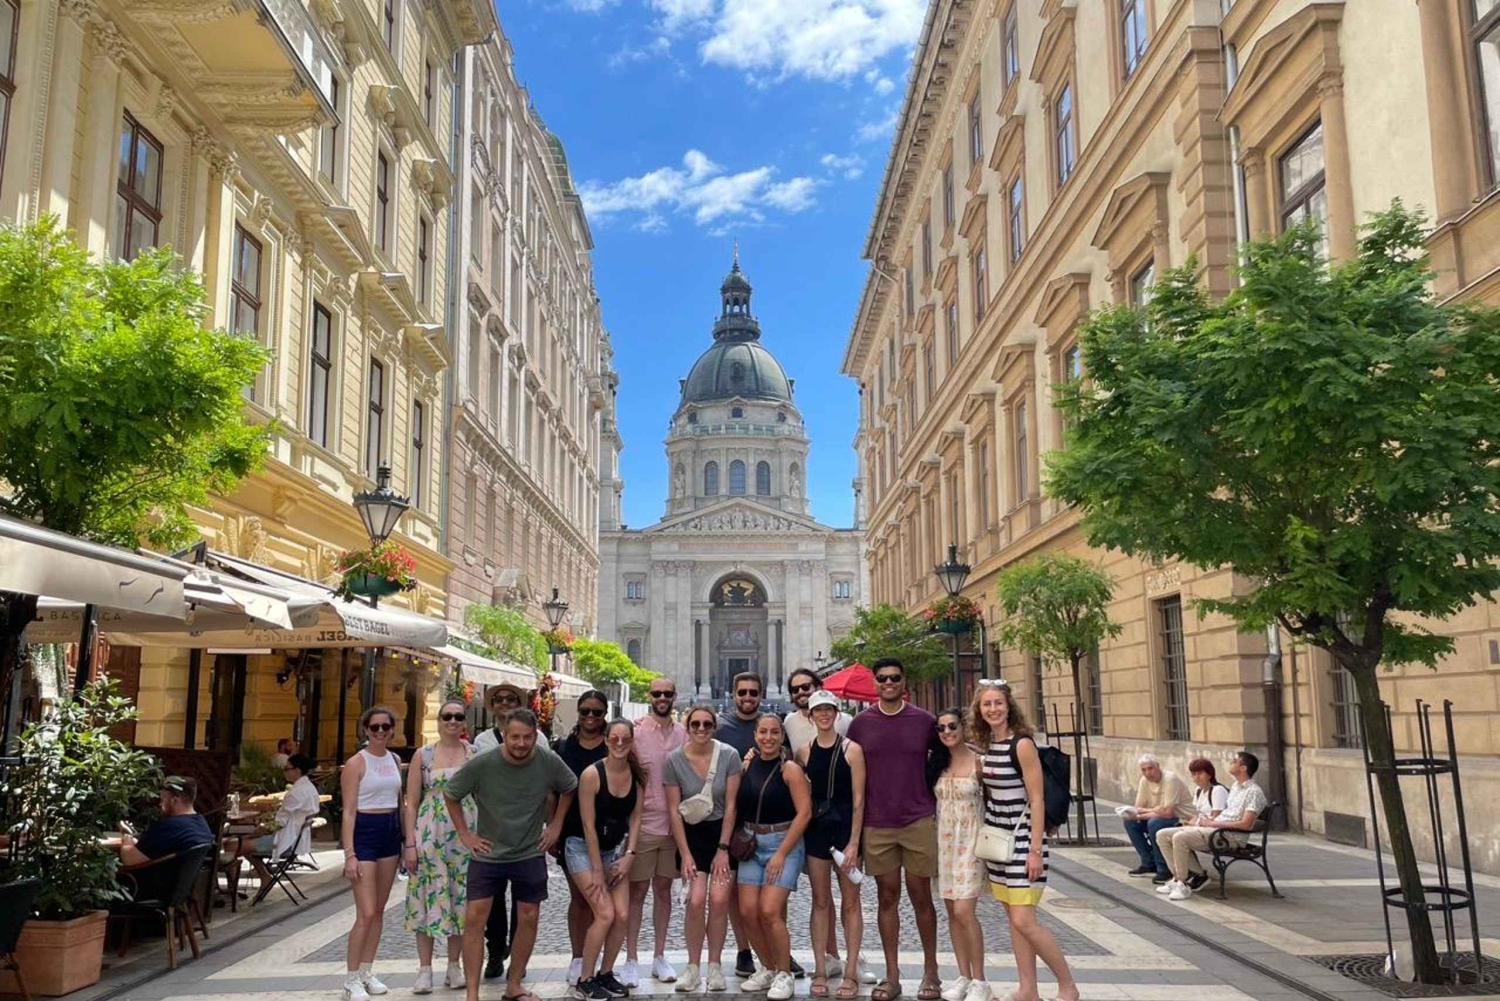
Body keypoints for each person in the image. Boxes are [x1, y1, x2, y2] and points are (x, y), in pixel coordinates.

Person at [446, 708, 578, 1001]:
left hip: (529, 851)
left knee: (529, 916)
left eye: (527, 737)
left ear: (536, 736)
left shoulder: (546, 760)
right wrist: (466, 835)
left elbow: (569, 786)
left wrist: (555, 825)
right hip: (488, 854)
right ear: (504, 736)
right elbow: (451, 793)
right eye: (515, 737)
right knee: (475, 918)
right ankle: (472, 993)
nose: (521, 743)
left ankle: (514, 983)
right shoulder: (483, 763)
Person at [974, 682, 1079, 1001]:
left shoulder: (1022, 745)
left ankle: (1067, 986)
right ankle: (1028, 989)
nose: (993, 709)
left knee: (1024, 919)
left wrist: (1035, 850)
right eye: (986, 705)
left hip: (1022, 843)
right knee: (1014, 919)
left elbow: (1036, 799)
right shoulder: (988, 744)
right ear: (979, 711)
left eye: (998, 703)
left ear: (1009, 707)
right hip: (997, 840)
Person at [847, 658, 941, 1001]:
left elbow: (945, 756)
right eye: (883, 678)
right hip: (877, 823)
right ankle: (892, 975)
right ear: (875, 683)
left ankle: (931, 972)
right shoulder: (859, 725)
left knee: (922, 898)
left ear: (904, 682)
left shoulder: (924, 721)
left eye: (895, 678)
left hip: (917, 819)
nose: (889, 683)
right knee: (887, 898)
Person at [663, 704, 744, 993]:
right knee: (696, 901)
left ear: (714, 726)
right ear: (687, 727)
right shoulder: (674, 760)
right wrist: (684, 853)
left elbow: (732, 805)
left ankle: (715, 966)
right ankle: (693, 966)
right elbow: (674, 810)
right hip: (691, 837)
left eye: (707, 724)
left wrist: (723, 847)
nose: (701, 729)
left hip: (722, 833)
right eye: (695, 724)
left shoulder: (729, 756)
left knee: (720, 901)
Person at [403, 700, 478, 994]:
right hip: (430, 833)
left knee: (461, 898)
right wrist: (409, 843)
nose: (452, 721)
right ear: (439, 720)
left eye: (458, 717)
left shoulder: (473, 754)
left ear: (464, 722)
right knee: (426, 896)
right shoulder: (424, 755)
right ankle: (424, 969)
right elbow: (411, 803)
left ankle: (454, 965)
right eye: (447, 716)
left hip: (465, 833)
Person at [736, 713, 812, 1001]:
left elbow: (804, 813)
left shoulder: (790, 769)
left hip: (784, 843)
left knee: (769, 911)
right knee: (747, 912)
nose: (768, 738)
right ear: (755, 735)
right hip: (752, 844)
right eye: (763, 732)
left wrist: (781, 853)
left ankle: (784, 972)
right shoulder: (747, 764)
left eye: (775, 733)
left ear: (783, 736)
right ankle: (768, 967)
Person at [797, 690, 866, 999]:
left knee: (851, 903)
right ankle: (822, 969)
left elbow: (859, 800)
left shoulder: (853, 750)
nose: (824, 714)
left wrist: (853, 843)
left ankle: (851, 970)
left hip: (845, 835)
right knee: (820, 901)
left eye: (829, 709)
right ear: (811, 716)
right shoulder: (803, 752)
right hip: (817, 834)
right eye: (818, 710)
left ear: (837, 713)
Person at [569, 719, 645, 1001]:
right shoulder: (591, 774)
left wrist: (629, 855)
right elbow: (587, 825)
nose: (620, 743)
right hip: (581, 849)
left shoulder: (637, 776)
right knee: (605, 914)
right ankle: (585, 979)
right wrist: (597, 869)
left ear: (632, 741)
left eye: (626, 738)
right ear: (606, 740)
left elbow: (636, 819)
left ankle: (606, 972)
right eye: (615, 738)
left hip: (614, 851)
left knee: (622, 915)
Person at [339, 706, 406, 1000]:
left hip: (389, 831)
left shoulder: (394, 759)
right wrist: (349, 854)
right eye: (374, 727)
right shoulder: (356, 763)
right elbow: (349, 812)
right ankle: (351, 977)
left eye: (385, 727)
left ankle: (367, 970)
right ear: (365, 729)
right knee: (365, 912)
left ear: (392, 729)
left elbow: (400, 802)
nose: (380, 732)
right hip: (364, 831)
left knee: (379, 910)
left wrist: (406, 842)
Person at [625, 677, 687, 988]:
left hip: (674, 828)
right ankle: (631, 958)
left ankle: (660, 955)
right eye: (657, 693)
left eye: (668, 693)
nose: (662, 698)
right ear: (649, 696)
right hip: (644, 825)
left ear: (675, 697)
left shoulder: (684, 734)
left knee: (664, 893)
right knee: (636, 894)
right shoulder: (635, 733)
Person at [716, 672, 771, 979]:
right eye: (743, 692)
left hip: (769, 819)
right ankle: (743, 950)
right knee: (738, 892)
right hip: (734, 822)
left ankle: (776, 949)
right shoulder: (720, 728)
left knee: (774, 890)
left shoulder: (771, 726)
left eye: (753, 692)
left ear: (761, 694)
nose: (748, 697)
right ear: (733, 693)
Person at [1155, 751, 1268, 901]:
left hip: (1229, 836)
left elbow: (1246, 825)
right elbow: (1225, 814)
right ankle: (1181, 877)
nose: (1230, 762)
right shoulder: (1235, 786)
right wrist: (1204, 822)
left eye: (1234, 760)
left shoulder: (1254, 792)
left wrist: (1212, 823)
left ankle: (1182, 883)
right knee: (1162, 834)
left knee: (1180, 837)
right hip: (1215, 830)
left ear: (1243, 768)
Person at [932, 708, 988, 1001]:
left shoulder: (981, 762)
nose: (947, 732)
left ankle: (980, 979)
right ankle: (964, 976)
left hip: (973, 844)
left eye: (952, 726)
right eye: (941, 728)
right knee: (952, 913)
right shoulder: (935, 764)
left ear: (963, 727)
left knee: (966, 912)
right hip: (945, 844)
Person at [557, 691, 612, 987]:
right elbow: (554, 789)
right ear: (578, 712)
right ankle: (579, 957)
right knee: (580, 897)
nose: (590, 717)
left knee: (603, 903)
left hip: (609, 834)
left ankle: (597, 960)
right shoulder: (565, 746)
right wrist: (552, 827)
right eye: (585, 711)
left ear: (605, 714)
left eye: (597, 712)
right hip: (572, 832)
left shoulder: (614, 746)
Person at [472, 682, 527, 979]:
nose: (505, 703)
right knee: (493, 897)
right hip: (491, 830)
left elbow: (552, 784)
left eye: (511, 698)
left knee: (524, 900)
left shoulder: (537, 738)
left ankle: (518, 956)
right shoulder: (481, 740)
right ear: (492, 705)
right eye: (500, 699)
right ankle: (495, 951)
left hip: (526, 832)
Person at [238, 754, 320, 895]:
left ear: (297, 770)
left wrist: (255, 833)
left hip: (284, 841)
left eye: (287, 769)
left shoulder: (295, 793)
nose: (285, 772)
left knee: (233, 845)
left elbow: (277, 824)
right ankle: (264, 876)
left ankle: (260, 878)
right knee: (240, 842)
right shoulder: (310, 788)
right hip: (295, 840)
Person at [1121, 754, 1194, 886]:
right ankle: (1148, 862)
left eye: (1150, 768)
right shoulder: (1144, 781)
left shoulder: (1170, 779)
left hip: (1181, 818)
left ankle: (1164, 868)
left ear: (1158, 767)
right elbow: (1139, 808)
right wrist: (1136, 815)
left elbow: (1168, 812)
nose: (1148, 773)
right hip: (1160, 816)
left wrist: (1142, 814)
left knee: (1154, 823)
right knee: (1130, 822)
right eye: (1144, 770)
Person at [119, 775, 213, 866]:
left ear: (174, 800)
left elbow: (129, 859)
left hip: (144, 880)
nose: (160, 804)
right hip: (180, 881)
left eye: (162, 799)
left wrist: (127, 839)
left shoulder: (167, 827)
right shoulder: (201, 824)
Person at [783, 668, 850, 754]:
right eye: (795, 689)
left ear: (818, 688)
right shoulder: (789, 722)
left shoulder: (845, 720)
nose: (800, 692)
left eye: (805, 687)